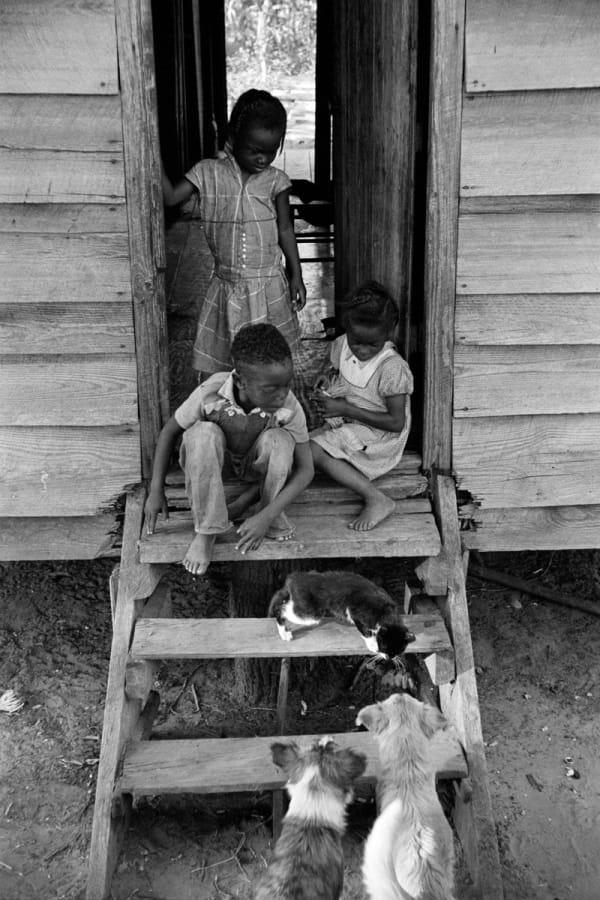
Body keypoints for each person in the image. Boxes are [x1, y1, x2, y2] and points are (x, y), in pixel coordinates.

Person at [144, 323, 314, 576]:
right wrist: (155, 488)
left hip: (255, 470)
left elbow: (306, 470)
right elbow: (170, 432)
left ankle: (266, 512)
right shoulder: (211, 391)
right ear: (240, 381)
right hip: (215, 468)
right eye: (271, 388)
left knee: (280, 439)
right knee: (202, 433)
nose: (282, 395)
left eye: (286, 384)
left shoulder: (288, 405)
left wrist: (267, 516)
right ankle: (207, 531)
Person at [162, 89, 306, 378]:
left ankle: (267, 412)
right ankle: (234, 412)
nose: (263, 158)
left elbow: (286, 229)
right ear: (232, 139)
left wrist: (297, 274)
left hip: (269, 285)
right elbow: (170, 198)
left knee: (269, 360)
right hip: (227, 285)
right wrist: (151, 154)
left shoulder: (277, 181)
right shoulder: (207, 172)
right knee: (230, 363)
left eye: (271, 150)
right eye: (254, 149)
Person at [310, 281, 413, 532]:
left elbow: (396, 423)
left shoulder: (391, 368)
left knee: (312, 450)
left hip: (379, 435)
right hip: (350, 420)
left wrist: (345, 410)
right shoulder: (343, 344)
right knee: (298, 444)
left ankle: (376, 498)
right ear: (347, 328)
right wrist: (328, 375)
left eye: (373, 345)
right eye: (357, 342)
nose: (363, 351)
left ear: (389, 333)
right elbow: (338, 367)